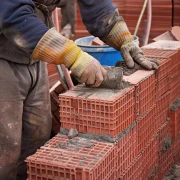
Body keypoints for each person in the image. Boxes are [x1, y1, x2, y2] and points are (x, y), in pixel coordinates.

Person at [0, 0, 159, 179]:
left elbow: (96, 5)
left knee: (36, 141)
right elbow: (12, 14)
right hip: (3, 55)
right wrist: (73, 56)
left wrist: (124, 39)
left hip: (34, 56)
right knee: (6, 152)